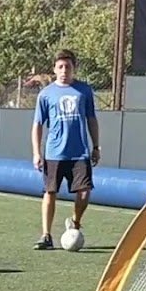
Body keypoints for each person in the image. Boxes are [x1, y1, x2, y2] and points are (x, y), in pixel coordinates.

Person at [31, 48, 101, 250]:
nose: (64, 70)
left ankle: (75, 222)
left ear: (74, 68)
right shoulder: (46, 94)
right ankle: (46, 235)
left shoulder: (84, 91)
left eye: (67, 67)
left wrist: (96, 146)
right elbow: (38, 124)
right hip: (54, 153)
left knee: (84, 192)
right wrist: (36, 153)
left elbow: (91, 119)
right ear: (54, 69)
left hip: (80, 152)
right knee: (50, 192)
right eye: (60, 67)